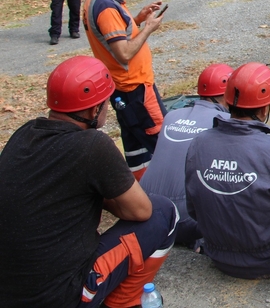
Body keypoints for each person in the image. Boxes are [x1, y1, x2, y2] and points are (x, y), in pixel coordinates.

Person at [0, 56, 177, 308]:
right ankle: (123, 304)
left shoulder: (23, 134)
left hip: (9, 291)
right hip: (61, 296)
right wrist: (103, 194)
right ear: (94, 110)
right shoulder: (92, 145)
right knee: (164, 213)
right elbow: (141, 210)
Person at [185, 62, 270, 279]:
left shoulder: (198, 144)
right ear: (264, 109)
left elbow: (194, 209)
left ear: (227, 101)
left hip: (218, 256)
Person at [82, 0, 166, 180]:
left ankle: (141, 186)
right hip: (135, 89)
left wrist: (137, 19)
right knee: (163, 142)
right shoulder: (107, 9)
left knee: (135, 147)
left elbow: (115, 38)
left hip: (123, 90)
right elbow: (124, 53)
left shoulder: (96, 1)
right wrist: (148, 28)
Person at [140, 63, 232, 247]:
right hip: (183, 220)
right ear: (228, 95)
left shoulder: (172, 116)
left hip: (144, 210)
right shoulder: (224, 122)